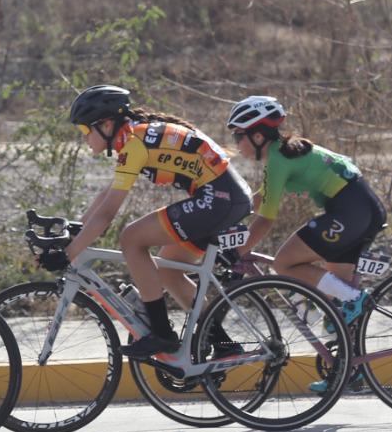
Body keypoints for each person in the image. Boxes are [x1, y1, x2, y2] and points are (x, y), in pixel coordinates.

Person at [52, 85, 252, 361]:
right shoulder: (133, 136)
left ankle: (161, 333)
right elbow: (107, 196)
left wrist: (67, 255)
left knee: (132, 239)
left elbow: (107, 213)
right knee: (168, 269)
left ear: (107, 124)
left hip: (219, 199)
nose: (84, 138)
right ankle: (223, 344)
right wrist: (74, 230)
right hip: (225, 198)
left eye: (86, 130)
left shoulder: (134, 142)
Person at [225, 95, 387, 390]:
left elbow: (265, 220)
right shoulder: (281, 153)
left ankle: (354, 300)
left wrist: (235, 251)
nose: (237, 144)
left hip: (350, 210)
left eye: (239, 136)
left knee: (285, 263)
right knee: (335, 303)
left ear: (258, 135)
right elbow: (260, 198)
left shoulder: (278, 160)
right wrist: (232, 217)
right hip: (360, 207)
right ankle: (348, 369)